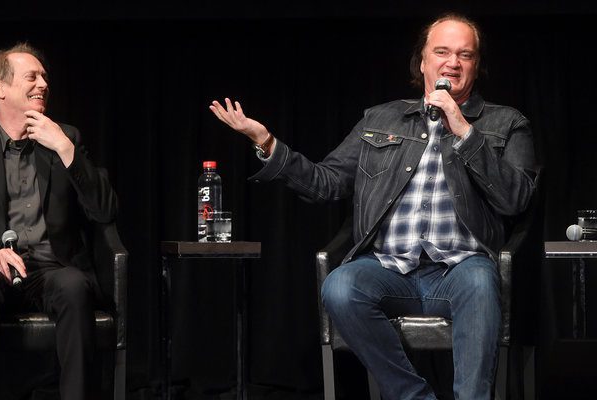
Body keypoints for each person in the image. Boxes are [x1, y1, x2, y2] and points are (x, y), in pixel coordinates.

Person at [209, 13, 536, 400]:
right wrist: (266, 143)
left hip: (461, 268)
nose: (453, 62)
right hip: (389, 267)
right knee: (341, 286)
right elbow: (325, 183)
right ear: (423, 61)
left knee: (483, 284)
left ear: (476, 66)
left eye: (465, 54)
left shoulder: (506, 123)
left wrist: (464, 130)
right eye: (442, 51)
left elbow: (516, 199)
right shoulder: (381, 118)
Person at [0, 42, 118, 400]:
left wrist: (65, 149)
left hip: (53, 268)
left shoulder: (65, 138)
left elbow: (105, 211)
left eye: (45, 77)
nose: (44, 83)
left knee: (75, 287)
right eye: (32, 76)